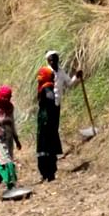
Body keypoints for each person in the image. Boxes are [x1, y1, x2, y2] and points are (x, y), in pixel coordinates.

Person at [36, 50, 82, 183]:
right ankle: (48, 169)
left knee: (52, 134)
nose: (54, 62)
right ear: (48, 61)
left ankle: (50, 167)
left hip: (55, 107)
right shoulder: (45, 73)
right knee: (48, 136)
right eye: (51, 60)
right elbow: (43, 93)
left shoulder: (60, 72)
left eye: (55, 59)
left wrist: (77, 77)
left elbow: (69, 84)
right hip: (47, 109)